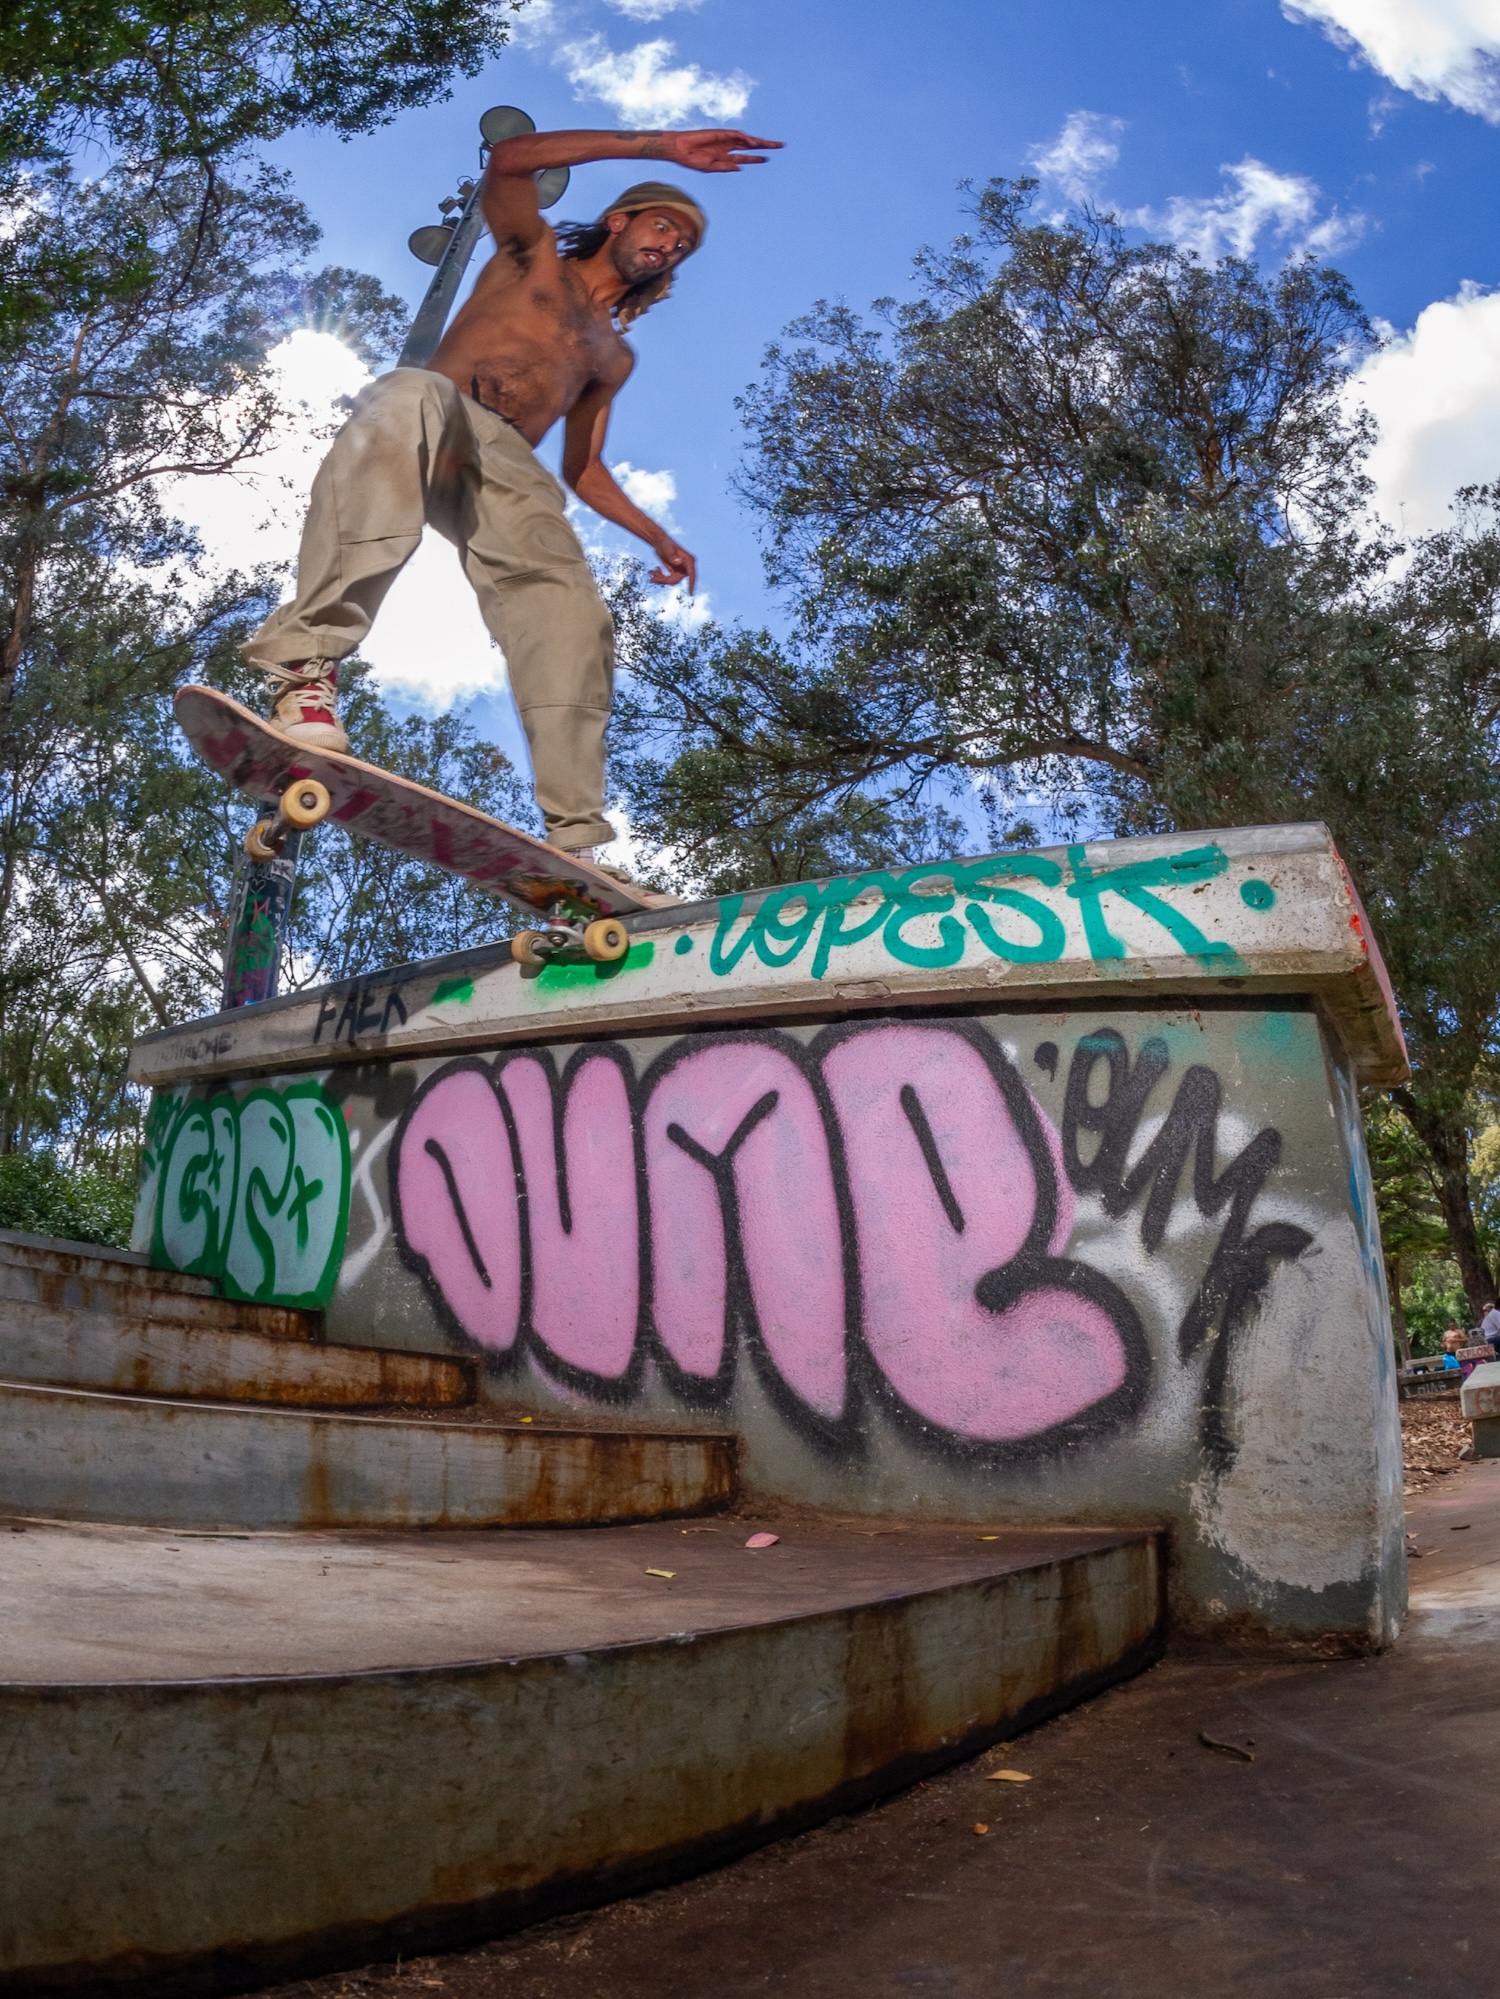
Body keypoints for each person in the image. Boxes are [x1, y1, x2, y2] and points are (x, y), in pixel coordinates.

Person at [241, 121, 781, 874]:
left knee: (570, 606)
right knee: (405, 395)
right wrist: (658, 147)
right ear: (621, 220)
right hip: (440, 415)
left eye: (683, 244)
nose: (671, 245)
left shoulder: (613, 354)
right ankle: (307, 673)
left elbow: (584, 468)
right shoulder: (530, 254)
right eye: (663, 225)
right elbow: (510, 160)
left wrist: (657, 536)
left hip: (505, 472)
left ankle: (578, 833)